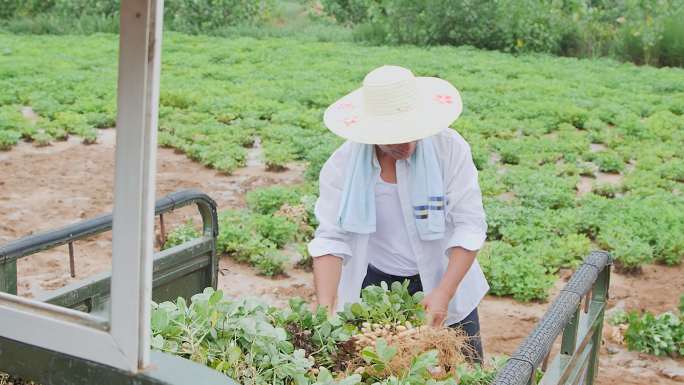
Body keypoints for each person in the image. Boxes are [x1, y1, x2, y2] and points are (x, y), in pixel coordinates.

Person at [307, 65, 489, 363]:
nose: (404, 145)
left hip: (446, 279)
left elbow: (469, 225)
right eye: (392, 137)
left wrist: (443, 292)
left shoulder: (449, 148)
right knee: (383, 369)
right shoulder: (342, 166)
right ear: (370, 132)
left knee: (462, 369)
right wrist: (326, 304)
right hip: (377, 289)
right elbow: (330, 238)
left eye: (410, 132)